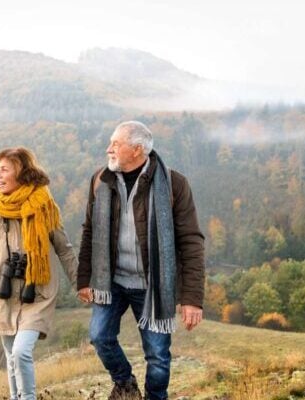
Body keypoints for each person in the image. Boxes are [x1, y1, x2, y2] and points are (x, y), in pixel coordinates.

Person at [77, 121, 206, 400]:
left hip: (153, 285)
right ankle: (125, 384)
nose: (108, 149)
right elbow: (89, 230)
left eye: (116, 144)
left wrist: (192, 298)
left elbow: (191, 241)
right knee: (100, 337)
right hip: (112, 281)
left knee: (158, 355)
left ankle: (155, 397)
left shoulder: (174, 185)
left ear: (137, 150)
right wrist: (84, 279)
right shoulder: (101, 180)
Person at [0, 147, 78, 400]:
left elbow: (64, 249)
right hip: (2, 293)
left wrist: (80, 283)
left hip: (36, 293)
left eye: (4, 169)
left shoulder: (44, 207)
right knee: (10, 357)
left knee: (20, 352)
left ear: (21, 172)